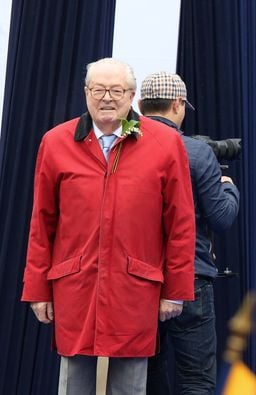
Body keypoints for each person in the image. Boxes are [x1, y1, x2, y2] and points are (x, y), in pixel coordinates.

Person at [21, 59, 196, 395]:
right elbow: (42, 222)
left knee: (130, 385)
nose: (106, 98)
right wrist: (37, 289)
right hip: (75, 282)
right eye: (98, 89)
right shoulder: (56, 141)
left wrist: (176, 289)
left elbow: (180, 223)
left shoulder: (164, 143)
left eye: (116, 90)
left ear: (131, 96)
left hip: (136, 285)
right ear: (86, 93)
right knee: (74, 382)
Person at [138, 71, 240, 394]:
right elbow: (221, 218)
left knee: (146, 369)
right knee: (196, 379)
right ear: (179, 105)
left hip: (138, 277)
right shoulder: (197, 153)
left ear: (140, 105)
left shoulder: (124, 148)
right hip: (191, 278)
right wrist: (229, 188)